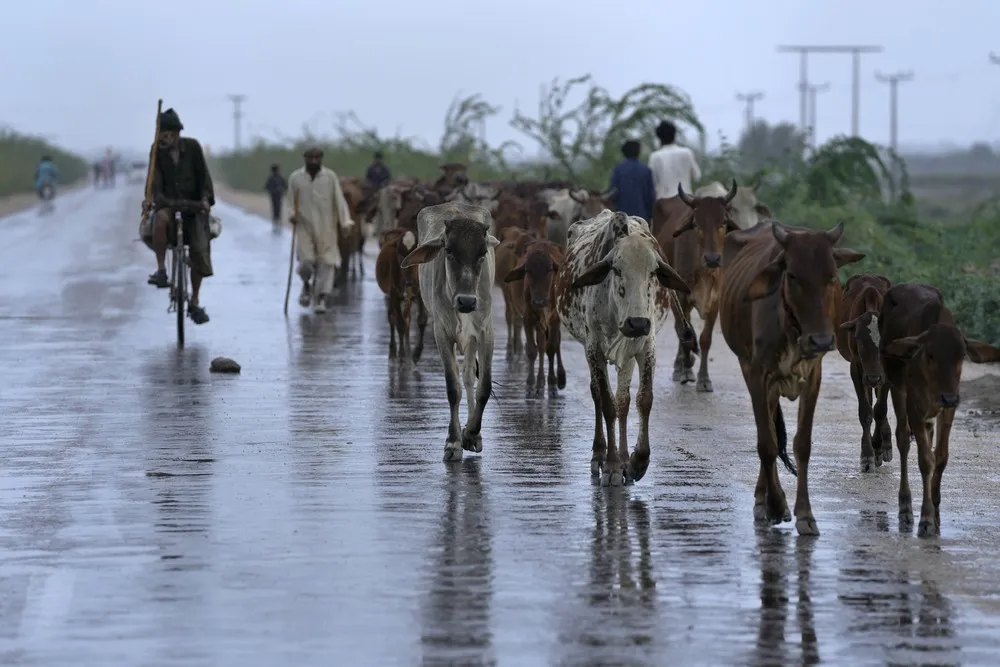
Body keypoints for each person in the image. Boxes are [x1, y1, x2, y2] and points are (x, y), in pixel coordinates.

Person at [142, 107, 216, 325]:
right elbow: (153, 180)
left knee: (200, 250)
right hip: (168, 204)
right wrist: (153, 199)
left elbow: (204, 177)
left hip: (193, 207)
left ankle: (194, 301)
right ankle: (162, 270)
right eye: (161, 132)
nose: (164, 136)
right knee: (160, 221)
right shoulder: (156, 151)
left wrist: (205, 200)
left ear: (177, 133)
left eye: (169, 132)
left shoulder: (192, 147)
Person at [288, 146, 355, 314]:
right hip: (304, 227)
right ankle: (306, 285)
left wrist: (345, 222)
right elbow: (290, 203)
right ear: (305, 159)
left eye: (317, 158)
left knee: (327, 263)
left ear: (321, 159)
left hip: (327, 227)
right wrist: (292, 215)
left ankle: (320, 299)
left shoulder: (330, 177)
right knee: (306, 263)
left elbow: (339, 201)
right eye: (310, 158)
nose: (313, 161)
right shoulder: (296, 178)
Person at [648, 120, 701, 200]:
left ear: (659, 137)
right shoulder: (686, 152)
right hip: (686, 200)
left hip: (664, 202)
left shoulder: (655, 156)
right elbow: (696, 176)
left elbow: (652, 181)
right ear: (674, 135)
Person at [607, 140, 656, 221]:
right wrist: (650, 215)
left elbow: (613, 194)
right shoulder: (646, 170)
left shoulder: (618, 169)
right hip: (642, 217)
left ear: (624, 152)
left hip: (621, 218)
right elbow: (650, 196)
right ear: (638, 152)